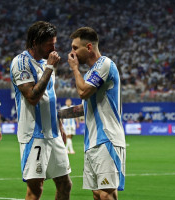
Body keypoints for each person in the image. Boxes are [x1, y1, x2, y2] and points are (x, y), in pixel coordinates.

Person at [58, 27, 126, 200]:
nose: (71, 53)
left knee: (105, 194)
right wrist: (57, 114)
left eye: (75, 48)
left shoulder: (104, 64)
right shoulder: (90, 73)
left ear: (88, 47)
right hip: (93, 141)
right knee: (97, 194)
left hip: (107, 138)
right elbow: (83, 107)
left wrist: (74, 69)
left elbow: (83, 92)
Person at [10, 21, 72, 200]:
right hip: (34, 135)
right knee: (36, 189)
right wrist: (50, 68)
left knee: (65, 184)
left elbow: (49, 98)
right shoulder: (20, 63)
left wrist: (59, 124)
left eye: (54, 43)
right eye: (49, 44)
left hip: (53, 134)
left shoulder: (46, 63)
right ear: (36, 41)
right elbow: (32, 97)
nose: (54, 48)